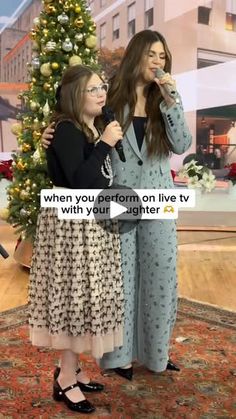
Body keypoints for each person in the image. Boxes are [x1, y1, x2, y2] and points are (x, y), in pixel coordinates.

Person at [42, 30, 192, 380]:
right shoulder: (111, 98)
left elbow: (182, 143)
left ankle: (157, 353)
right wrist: (49, 134)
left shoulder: (165, 101)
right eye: (152, 54)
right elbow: (78, 123)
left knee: (161, 278)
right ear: (136, 55)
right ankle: (118, 357)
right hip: (117, 202)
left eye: (163, 56)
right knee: (120, 282)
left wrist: (173, 101)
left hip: (158, 202)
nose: (159, 61)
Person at [29, 64, 125, 413]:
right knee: (74, 301)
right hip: (71, 229)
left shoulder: (87, 127)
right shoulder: (68, 130)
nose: (102, 93)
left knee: (85, 301)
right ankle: (65, 379)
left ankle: (75, 369)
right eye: (94, 89)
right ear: (74, 95)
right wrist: (105, 145)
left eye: (103, 87)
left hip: (89, 225)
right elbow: (82, 181)